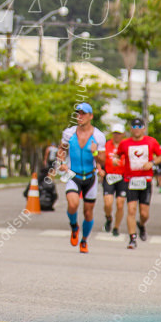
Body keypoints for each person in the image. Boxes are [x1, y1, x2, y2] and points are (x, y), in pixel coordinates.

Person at [58, 103, 106, 254]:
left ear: (91, 116)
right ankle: (74, 227)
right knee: (72, 204)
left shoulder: (98, 136)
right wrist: (61, 163)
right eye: (78, 113)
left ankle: (84, 240)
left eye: (84, 113)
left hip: (90, 177)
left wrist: (96, 153)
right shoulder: (69, 133)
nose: (80, 116)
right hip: (73, 175)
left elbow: (103, 161)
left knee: (88, 212)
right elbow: (62, 150)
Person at [118, 116, 161, 249]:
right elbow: (117, 156)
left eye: (139, 127)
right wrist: (116, 161)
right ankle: (132, 238)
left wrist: (152, 162)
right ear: (131, 129)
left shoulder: (151, 141)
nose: (137, 129)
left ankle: (142, 225)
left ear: (144, 129)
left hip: (145, 181)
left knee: (144, 213)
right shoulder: (125, 143)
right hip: (130, 180)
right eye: (134, 127)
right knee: (131, 210)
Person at [99, 128, 126, 237]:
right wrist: (100, 169)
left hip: (122, 177)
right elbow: (100, 159)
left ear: (123, 134)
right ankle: (108, 218)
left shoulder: (125, 145)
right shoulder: (106, 145)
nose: (117, 135)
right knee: (108, 203)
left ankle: (116, 227)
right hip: (109, 176)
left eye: (119, 133)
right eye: (115, 133)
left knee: (120, 204)